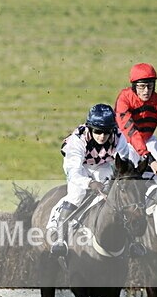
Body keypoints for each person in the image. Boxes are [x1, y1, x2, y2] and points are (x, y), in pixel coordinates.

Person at [47, 104, 134, 256]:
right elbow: (73, 172)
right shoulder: (78, 140)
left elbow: (124, 164)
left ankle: (132, 241)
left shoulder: (119, 138)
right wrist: (89, 183)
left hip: (102, 165)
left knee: (114, 196)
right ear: (90, 128)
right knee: (77, 194)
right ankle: (60, 239)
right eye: (98, 132)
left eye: (106, 132)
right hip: (79, 166)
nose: (102, 136)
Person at [115, 63, 157, 179]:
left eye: (150, 86)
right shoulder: (124, 99)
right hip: (125, 143)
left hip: (148, 140)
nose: (146, 91)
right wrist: (150, 159)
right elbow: (131, 132)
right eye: (142, 87)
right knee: (133, 178)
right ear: (134, 86)